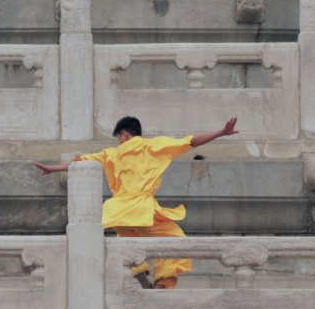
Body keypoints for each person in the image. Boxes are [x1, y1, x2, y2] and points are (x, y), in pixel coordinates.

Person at [33, 116, 238, 289]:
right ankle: (162, 283)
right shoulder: (153, 146)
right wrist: (221, 132)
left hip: (117, 211)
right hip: (141, 208)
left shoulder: (111, 154)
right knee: (175, 242)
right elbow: (191, 141)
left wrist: (53, 169)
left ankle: (139, 270)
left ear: (123, 134)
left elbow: (79, 162)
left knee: (127, 236)